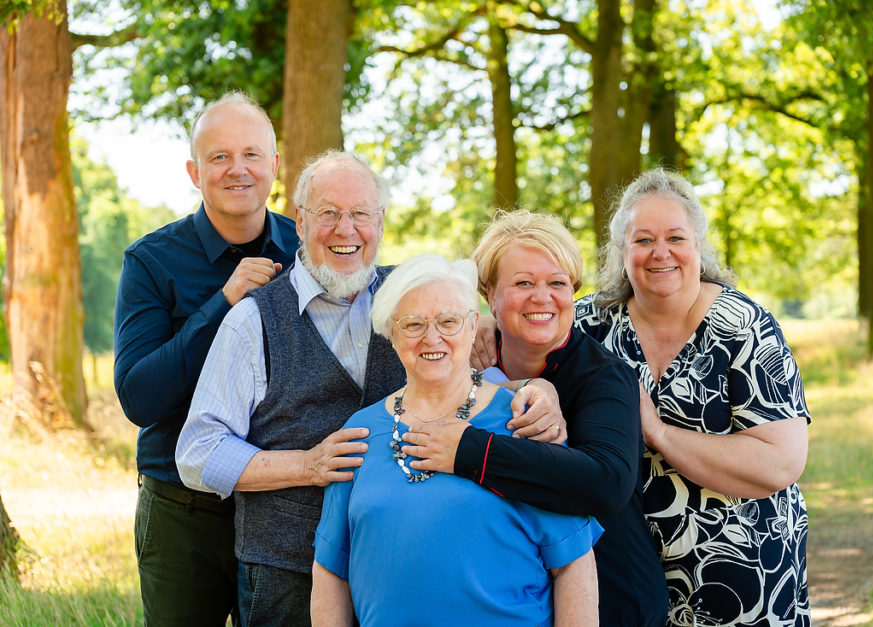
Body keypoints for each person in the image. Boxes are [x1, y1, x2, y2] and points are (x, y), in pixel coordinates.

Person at [175, 152, 563, 625]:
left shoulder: (412, 299)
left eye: (361, 214)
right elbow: (197, 451)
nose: (346, 229)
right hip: (288, 574)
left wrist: (537, 388)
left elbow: (472, 382)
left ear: (380, 222)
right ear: (299, 221)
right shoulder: (252, 320)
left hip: (398, 579)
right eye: (329, 213)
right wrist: (306, 465)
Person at [404, 211, 668, 626]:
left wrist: (470, 451)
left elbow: (607, 481)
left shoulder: (603, 376)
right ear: (488, 294)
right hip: (512, 605)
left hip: (613, 602)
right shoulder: (464, 369)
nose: (542, 297)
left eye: (557, 283)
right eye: (523, 282)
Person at [572, 167, 811, 626]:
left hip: (743, 573)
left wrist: (659, 432)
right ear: (621, 252)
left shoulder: (744, 327)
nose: (660, 252)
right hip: (625, 580)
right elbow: (527, 328)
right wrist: (484, 326)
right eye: (642, 240)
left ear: (698, 246)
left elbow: (781, 462)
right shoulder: (589, 325)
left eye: (675, 238)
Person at [311, 253, 602, 626]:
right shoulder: (360, 432)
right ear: (392, 334)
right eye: (414, 324)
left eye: (448, 321)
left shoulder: (523, 422)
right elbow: (331, 569)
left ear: (471, 327)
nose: (433, 338)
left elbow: (574, 564)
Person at [113, 92, 297, 625]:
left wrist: (475, 319)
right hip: (182, 513)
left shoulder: (307, 248)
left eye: (252, 155)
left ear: (274, 166)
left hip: (281, 505)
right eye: (219, 157)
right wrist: (222, 304)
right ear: (195, 172)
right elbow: (139, 398)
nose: (237, 169)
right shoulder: (151, 261)